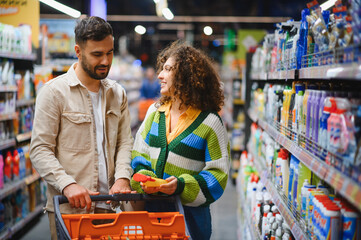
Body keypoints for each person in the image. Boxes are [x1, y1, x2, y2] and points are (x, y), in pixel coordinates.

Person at [30, 16, 134, 240]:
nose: (105, 61)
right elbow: (40, 149)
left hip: (113, 207)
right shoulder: (54, 93)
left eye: (109, 52)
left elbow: (125, 142)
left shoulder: (117, 93)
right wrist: (67, 184)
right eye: (97, 54)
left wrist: (123, 177)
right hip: (71, 209)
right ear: (78, 51)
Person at [130, 41, 230, 240]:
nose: (160, 75)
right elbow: (139, 153)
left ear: (186, 76)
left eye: (167, 69)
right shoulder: (154, 112)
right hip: (152, 216)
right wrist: (144, 176)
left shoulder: (210, 123)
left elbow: (218, 175)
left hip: (189, 222)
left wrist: (181, 186)